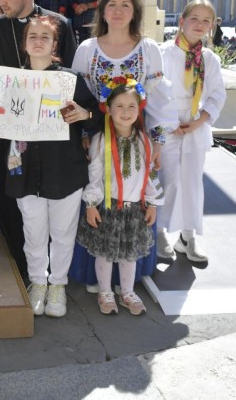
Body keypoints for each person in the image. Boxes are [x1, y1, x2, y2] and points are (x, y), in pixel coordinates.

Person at [0, 0, 77, 274]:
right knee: (7, 191)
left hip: (48, 131)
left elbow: (71, 77)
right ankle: (17, 257)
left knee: (46, 193)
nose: (0, 1)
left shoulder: (59, 25)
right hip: (5, 130)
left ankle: (52, 268)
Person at [69, 0, 176, 291]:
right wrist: (83, 135)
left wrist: (156, 140)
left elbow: (158, 100)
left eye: (125, 5)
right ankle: (96, 277)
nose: (118, 11)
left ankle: (127, 280)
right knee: (98, 201)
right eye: (112, 4)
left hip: (136, 141)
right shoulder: (87, 49)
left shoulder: (148, 49)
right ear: (102, 10)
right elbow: (77, 96)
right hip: (98, 140)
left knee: (133, 200)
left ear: (135, 12)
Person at [1, 16, 99, 317]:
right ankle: (37, 283)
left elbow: (98, 116)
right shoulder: (9, 79)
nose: (39, 40)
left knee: (62, 232)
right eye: (33, 35)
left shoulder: (70, 79)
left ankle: (58, 285)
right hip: (25, 170)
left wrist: (84, 114)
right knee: (33, 232)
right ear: (25, 43)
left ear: (55, 44)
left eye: (46, 36)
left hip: (64, 170)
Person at [77, 80, 163, 316]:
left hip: (134, 209)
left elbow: (149, 174)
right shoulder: (101, 140)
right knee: (104, 253)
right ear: (108, 108)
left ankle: (127, 292)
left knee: (129, 254)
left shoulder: (144, 141)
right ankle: (105, 292)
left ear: (139, 108)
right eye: (120, 106)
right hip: (107, 208)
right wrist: (91, 204)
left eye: (131, 106)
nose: (126, 112)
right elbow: (94, 174)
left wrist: (152, 202)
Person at [156, 0, 226, 263]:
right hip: (167, 127)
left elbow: (217, 95)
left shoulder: (210, 59)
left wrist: (200, 121)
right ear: (182, 21)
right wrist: (168, 122)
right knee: (167, 180)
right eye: (194, 18)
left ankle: (187, 236)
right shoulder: (162, 53)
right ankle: (160, 231)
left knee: (192, 183)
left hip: (195, 127)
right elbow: (152, 91)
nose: (199, 24)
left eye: (206, 20)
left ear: (211, 27)